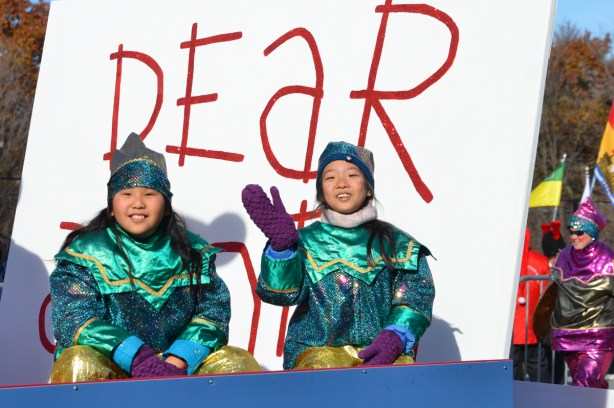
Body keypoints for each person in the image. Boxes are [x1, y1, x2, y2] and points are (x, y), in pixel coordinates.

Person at [49, 133, 259, 382]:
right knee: (78, 363)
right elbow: (73, 318)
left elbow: (213, 312)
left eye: (149, 194)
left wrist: (178, 359)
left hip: (178, 370)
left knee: (237, 363)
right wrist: (134, 355)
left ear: (167, 204)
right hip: (111, 366)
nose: (138, 203)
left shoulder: (194, 253)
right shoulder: (84, 254)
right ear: (112, 206)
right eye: (126, 194)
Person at [241, 141, 435, 369]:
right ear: (321, 189)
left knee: (400, 374)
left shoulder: (397, 244)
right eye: (330, 177)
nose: (341, 184)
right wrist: (282, 249)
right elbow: (281, 295)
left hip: (379, 349)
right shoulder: (305, 241)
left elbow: (416, 295)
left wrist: (394, 337)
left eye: (352, 175)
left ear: (369, 187)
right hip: (316, 352)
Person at [550, 197, 614, 388]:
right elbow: (552, 296)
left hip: (598, 336)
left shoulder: (608, 259)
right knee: (593, 387)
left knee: (584, 384)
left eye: (580, 232)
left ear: (592, 232)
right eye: (571, 232)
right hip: (568, 335)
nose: (574, 236)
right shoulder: (563, 257)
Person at [510, 228, 551, 382]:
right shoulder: (541, 261)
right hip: (533, 327)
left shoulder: (506, 260)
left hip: (513, 330)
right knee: (538, 370)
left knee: (512, 372)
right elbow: (547, 295)